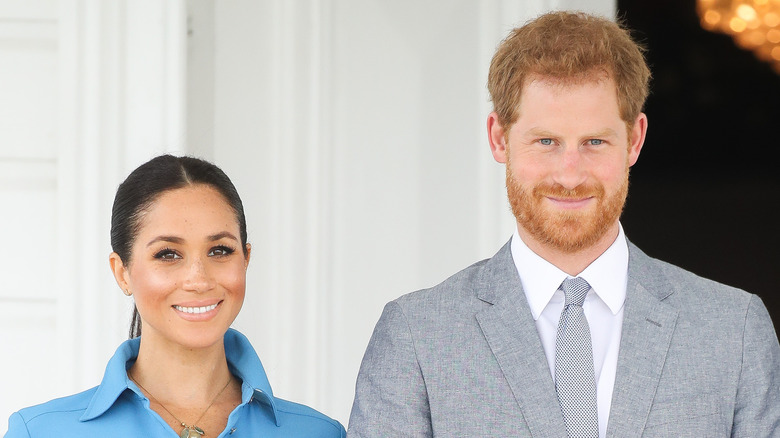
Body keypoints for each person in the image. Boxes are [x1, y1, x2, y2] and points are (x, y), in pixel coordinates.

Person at [347, 11, 780, 438]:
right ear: (500, 138)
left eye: (594, 141)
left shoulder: (734, 332)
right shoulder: (417, 336)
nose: (570, 176)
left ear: (634, 140)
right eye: (546, 141)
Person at [6, 155, 345, 437]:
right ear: (122, 271)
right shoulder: (39, 432)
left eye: (220, 250)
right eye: (168, 254)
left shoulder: (320, 433)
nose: (198, 280)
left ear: (246, 259)